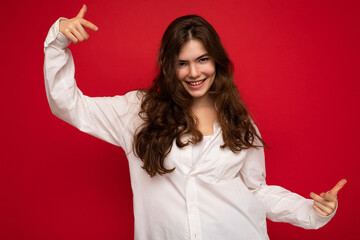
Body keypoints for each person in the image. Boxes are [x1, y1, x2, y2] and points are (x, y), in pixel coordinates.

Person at [43, 4, 346, 240]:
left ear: (216, 61)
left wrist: (311, 209)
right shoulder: (137, 112)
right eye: (182, 63)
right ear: (169, 66)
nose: (194, 72)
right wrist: (58, 41)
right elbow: (69, 105)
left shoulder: (240, 121)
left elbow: (257, 190)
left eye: (202, 60)